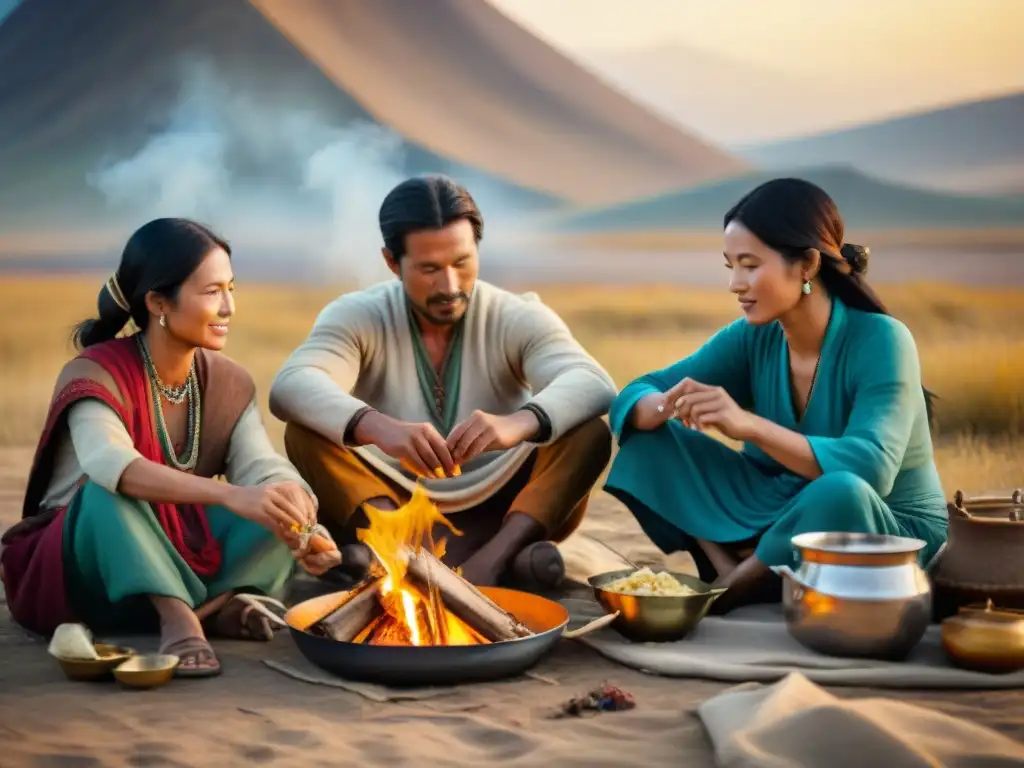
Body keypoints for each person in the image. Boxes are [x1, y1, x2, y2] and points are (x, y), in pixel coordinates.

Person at [0, 218, 340, 677]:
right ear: (158, 301)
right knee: (105, 493)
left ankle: (204, 608)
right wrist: (229, 494)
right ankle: (181, 619)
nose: (229, 307)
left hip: (181, 550)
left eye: (231, 288)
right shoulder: (94, 372)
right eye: (212, 292)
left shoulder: (228, 381)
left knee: (272, 513)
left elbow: (260, 464)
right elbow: (110, 464)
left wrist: (300, 514)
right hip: (83, 570)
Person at [604, 178, 948, 613]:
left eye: (749, 265)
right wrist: (664, 407)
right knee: (649, 442)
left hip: (879, 526)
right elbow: (637, 392)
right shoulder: (754, 337)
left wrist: (748, 425)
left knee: (838, 489)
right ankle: (736, 568)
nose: (735, 283)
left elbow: (870, 470)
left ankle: (728, 591)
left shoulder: (882, 339)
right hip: (777, 506)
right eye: (730, 265)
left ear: (805, 264)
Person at [270, 174, 616, 589]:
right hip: (393, 505)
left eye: (462, 262)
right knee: (306, 433)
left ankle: (492, 560)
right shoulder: (357, 315)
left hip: (503, 508)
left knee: (587, 434)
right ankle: (406, 551)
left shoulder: (515, 315)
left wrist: (517, 423)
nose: (449, 286)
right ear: (391, 262)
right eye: (429, 269)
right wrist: (378, 427)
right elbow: (292, 384)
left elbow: (593, 381)